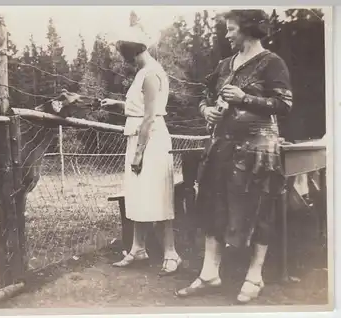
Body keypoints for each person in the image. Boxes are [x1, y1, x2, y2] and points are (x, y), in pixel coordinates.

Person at [175, 9, 293, 303]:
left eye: (231, 29)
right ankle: (209, 273)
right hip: (222, 146)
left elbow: (285, 103)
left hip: (257, 148)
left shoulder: (271, 63)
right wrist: (207, 111)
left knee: (258, 207)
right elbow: (204, 95)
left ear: (249, 30)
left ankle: (255, 277)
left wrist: (246, 99)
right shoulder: (225, 65)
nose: (226, 35)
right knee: (213, 203)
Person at [100, 19, 182, 276]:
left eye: (121, 51)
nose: (122, 57)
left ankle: (171, 253)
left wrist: (139, 153)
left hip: (151, 139)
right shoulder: (142, 73)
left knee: (159, 192)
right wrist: (116, 106)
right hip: (139, 135)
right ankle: (138, 248)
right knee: (137, 192)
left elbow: (149, 116)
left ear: (130, 49)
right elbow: (138, 109)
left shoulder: (152, 73)